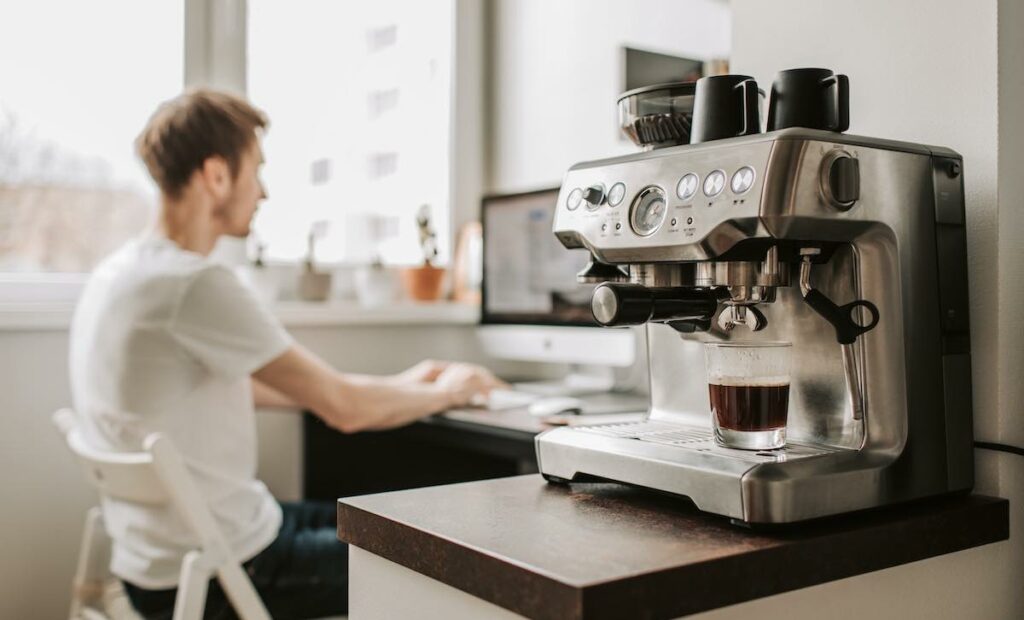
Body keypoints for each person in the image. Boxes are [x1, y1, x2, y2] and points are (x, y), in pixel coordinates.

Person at [68, 88, 504, 619]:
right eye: (257, 170)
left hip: (155, 563)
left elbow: (261, 388)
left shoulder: (120, 275)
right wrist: (450, 391)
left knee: (377, 519)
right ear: (217, 176)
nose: (264, 192)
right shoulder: (193, 284)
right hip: (225, 571)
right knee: (442, 561)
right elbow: (344, 409)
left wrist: (411, 385)